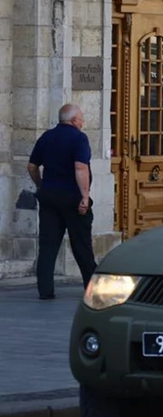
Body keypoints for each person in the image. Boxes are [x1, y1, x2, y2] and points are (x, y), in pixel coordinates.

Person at [27, 104, 98, 299]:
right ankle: (92, 288)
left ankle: (45, 290)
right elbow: (80, 167)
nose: (83, 122)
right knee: (81, 244)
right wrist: (85, 197)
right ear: (74, 120)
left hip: (49, 196)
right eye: (81, 118)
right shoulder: (79, 138)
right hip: (72, 197)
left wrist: (41, 185)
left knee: (48, 244)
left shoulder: (46, 137)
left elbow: (32, 166)